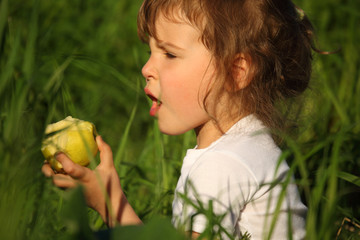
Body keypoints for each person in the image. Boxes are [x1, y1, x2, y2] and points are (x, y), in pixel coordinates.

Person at [42, 0, 316, 239]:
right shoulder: (250, 146)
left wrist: (108, 204)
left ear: (235, 72)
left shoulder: (221, 166)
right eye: (150, 51)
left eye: (170, 54)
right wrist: (109, 197)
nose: (146, 68)